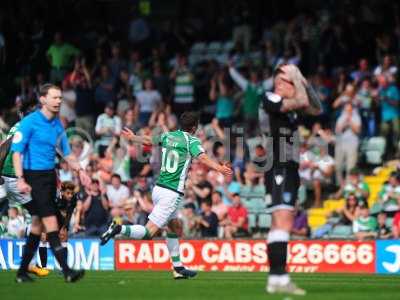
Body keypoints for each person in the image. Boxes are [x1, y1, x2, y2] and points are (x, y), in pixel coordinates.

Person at [100, 111, 232, 279]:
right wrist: (220, 168)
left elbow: (149, 140)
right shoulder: (191, 140)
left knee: (175, 226)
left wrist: (133, 138)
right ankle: (118, 228)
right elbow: (203, 158)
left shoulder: (168, 136)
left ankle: (178, 268)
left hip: (159, 189)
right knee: (148, 234)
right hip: (171, 193)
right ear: (194, 127)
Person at [11, 83, 90, 283]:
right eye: (54, 97)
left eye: (60, 98)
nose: (58, 101)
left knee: (38, 224)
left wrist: (81, 171)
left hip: (49, 176)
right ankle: (67, 271)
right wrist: (20, 179)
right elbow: (16, 153)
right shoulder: (29, 123)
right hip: (33, 176)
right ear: (43, 99)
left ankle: (21, 272)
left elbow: (67, 154)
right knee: (51, 221)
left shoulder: (57, 125)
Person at [261, 64, 321, 295]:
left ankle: (276, 278)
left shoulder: (291, 106)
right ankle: (280, 277)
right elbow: (304, 102)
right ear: (279, 84)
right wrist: (297, 76)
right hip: (279, 164)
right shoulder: (270, 97)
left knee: (280, 222)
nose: (294, 86)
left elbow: (316, 107)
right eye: (290, 82)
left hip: (290, 166)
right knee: (283, 220)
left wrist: (303, 81)